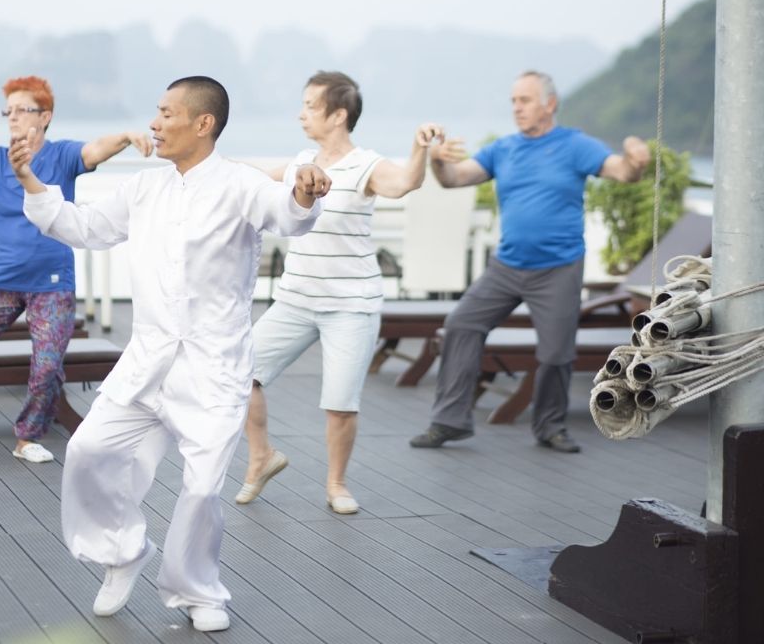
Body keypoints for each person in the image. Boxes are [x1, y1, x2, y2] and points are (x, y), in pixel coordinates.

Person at [11, 76, 330, 633]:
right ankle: (122, 552)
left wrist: (305, 189)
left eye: (165, 113)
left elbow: (289, 212)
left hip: (213, 367)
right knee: (87, 451)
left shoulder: (240, 184)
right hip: (147, 360)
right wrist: (31, 180)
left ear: (202, 123)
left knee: (203, 487)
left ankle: (197, 590)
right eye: (155, 113)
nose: (154, 124)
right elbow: (83, 227)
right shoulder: (143, 189)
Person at [235, 71, 444, 514]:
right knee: (239, 373)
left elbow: (405, 181)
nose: (301, 113)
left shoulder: (366, 164)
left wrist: (419, 149)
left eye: (310, 106)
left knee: (340, 403)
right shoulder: (301, 162)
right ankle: (261, 458)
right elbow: (254, 177)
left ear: (339, 115)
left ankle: (336, 485)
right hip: (295, 300)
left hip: (351, 306)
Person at [409, 70, 649, 453]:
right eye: (513, 101)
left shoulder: (575, 146)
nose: (516, 108)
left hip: (558, 267)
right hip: (506, 267)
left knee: (556, 354)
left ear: (549, 104)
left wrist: (636, 159)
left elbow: (622, 172)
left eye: (524, 100)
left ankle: (550, 426)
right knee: (460, 325)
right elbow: (454, 178)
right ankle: (449, 421)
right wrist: (437, 161)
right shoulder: (502, 149)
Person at [0, 76, 154, 464]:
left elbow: (95, 150)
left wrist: (125, 136)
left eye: (22, 110)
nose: (13, 118)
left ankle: (28, 437)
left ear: (45, 116)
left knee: (48, 364)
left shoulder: (63, 156)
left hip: (52, 284)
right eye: (9, 111)